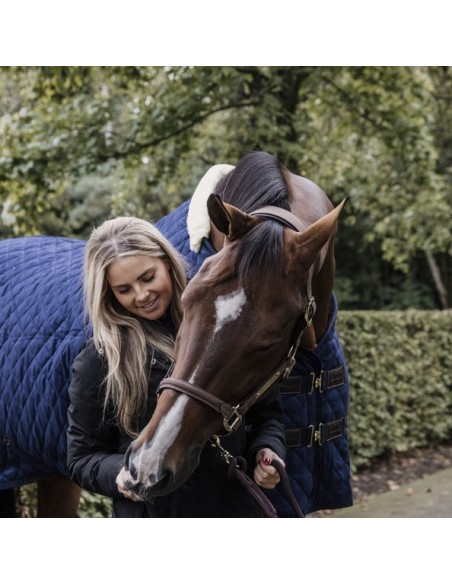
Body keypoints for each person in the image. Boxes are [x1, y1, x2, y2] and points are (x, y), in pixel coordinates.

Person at [66, 216, 286, 518]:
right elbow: (81, 458)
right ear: (108, 294)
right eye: (124, 289)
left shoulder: (221, 326)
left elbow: (266, 412)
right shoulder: (103, 357)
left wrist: (267, 450)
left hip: (236, 509)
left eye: (147, 277)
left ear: (167, 263)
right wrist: (120, 473)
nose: (141, 295)